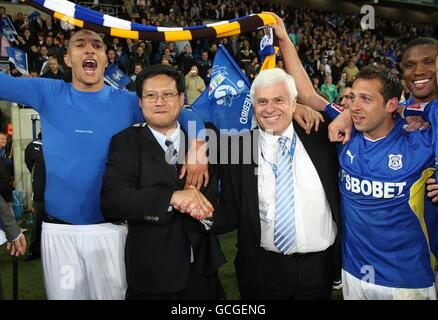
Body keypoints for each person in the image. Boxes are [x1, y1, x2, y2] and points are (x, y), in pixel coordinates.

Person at [0, 29, 208, 300]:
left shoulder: (124, 100)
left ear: (105, 59)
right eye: (80, 45)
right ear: (67, 58)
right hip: (58, 231)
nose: (89, 50)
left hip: (112, 230)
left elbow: (188, 113)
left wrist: (198, 147)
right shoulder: (47, 91)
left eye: (97, 45)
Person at [212, 67, 341, 300]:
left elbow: (363, 117)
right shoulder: (237, 149)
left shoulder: (323, 136)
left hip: (318, 269)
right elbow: (231, 211)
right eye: (262, 101)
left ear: (294, 104)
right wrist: (204, 212)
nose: (269, 108)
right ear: (253, 107)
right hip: (261, 270)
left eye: (278, 100)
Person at [101, 64, 226, 300]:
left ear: (181, 99)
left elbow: (227, 207)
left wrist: (207, 215)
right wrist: (172, 198)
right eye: (150, 95)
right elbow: (112, 201)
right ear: (140, 102)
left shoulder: (208, 143)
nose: (159, 101)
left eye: (167, 94)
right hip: (152, 278)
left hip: (204, 275)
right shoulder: (125, 142)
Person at [324, 66, 437, 299]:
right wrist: (282, 36)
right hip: (355, 271)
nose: (355, 106)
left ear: (390, 105)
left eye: (366, 98)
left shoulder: (419, 141)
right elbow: (306, 96)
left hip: (407, 279)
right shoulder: (347, 132)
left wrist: (409, 109)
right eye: (353, 97)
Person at [24, 132, 45, 261]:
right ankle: (35, 250)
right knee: (38, 221)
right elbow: (29, 165)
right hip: (40, 191)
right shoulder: (33, 146)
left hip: (58, 192)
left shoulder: (58, 143)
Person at [0, 132, 12, 206]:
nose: (5, 140)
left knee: (9, 204)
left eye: (5, 139)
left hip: (6, 183)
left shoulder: (5, 150)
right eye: (2, 139)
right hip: (1, 182)